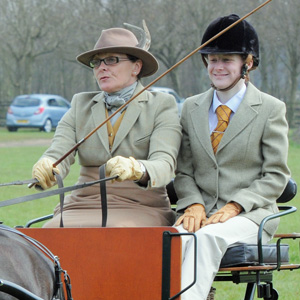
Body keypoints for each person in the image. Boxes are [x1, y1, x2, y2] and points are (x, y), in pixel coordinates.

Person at [174, 14, 291, 300]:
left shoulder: (270, 109)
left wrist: (236, 205)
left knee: (206, 237)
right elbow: (184, 171)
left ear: (247, 63)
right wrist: (193, 204)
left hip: (251, 216)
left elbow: (276, 175)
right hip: (200, 213)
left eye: (226, 60)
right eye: (212, 60)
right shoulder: (191, 107)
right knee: (169, 240)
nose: (218, 67)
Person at [31, 21, 182, 228]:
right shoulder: (80, 104)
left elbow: (165, 164)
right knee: (51, 232)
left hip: (141, 205)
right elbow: (59, 150)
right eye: (97, 62)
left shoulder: (161, 105)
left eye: (111, 60)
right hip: (82, 204)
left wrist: (137, 168)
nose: (101, 67)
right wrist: (48, 164)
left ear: (136, 67)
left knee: (117, 235)